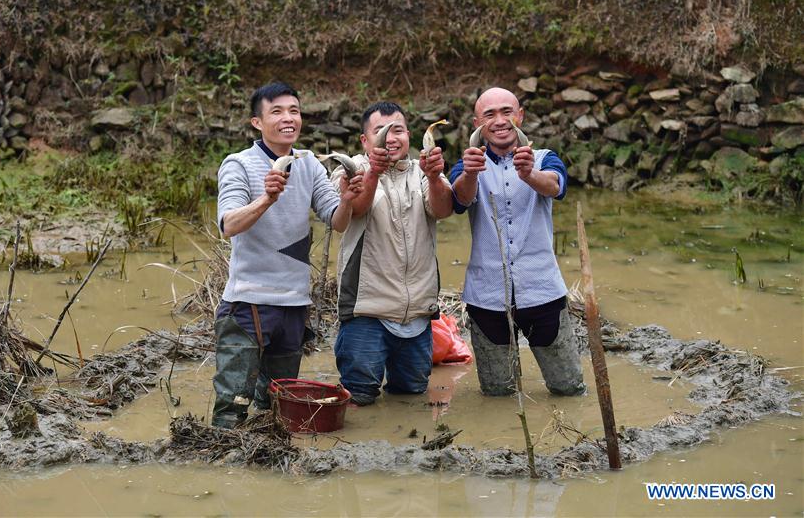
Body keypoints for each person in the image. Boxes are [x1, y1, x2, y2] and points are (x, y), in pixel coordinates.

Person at [212, 82, 363, 428]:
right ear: (257, 122)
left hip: (294, 303)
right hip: (248, 303)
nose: (288, 118)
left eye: (294, 111)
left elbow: (337, 221)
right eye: (277, 111)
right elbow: (228, 224)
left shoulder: (308, 163)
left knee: (276, 408)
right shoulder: (238, 164)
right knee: (232, 405)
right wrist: (266, 198)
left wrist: (349, 198)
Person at [449, 87, 585, 396]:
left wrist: (529, 174)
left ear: (520, 116)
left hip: (543, 292)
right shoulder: (468, 164)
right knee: (497, 394)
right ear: (476, 124)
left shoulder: (544, 158)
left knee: (569, 388)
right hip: (486, 297)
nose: (499, 121)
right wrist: (471, 174)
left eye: (506, 112)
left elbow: (555, 187)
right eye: (489, 115)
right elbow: (459, 200)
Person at [330, 101, 453, 406]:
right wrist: (373, 172)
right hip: (366, 311)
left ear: (409, 135)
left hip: (418, 314)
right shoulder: (349, 169)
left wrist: (436, 177)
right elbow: (354, 209)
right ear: (364, 140)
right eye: (381, 131)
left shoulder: (421, 171)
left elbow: (443, 209)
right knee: (358, 397)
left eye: (397, 130)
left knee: (411, 396)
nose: (390, 138)